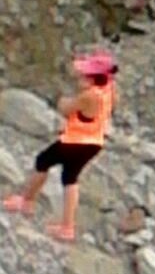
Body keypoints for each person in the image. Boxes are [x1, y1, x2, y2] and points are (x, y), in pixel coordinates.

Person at [3, 50, 118, 243]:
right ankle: (67, 226)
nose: (79, 79)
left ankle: (27, 201)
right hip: (93, 141)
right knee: (70, 178)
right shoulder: (108, 90)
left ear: (92, 79)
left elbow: (65, 109)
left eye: (84, 76)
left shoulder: (89, 96)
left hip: (76, 140)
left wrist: (62, 100)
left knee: (43, 161)